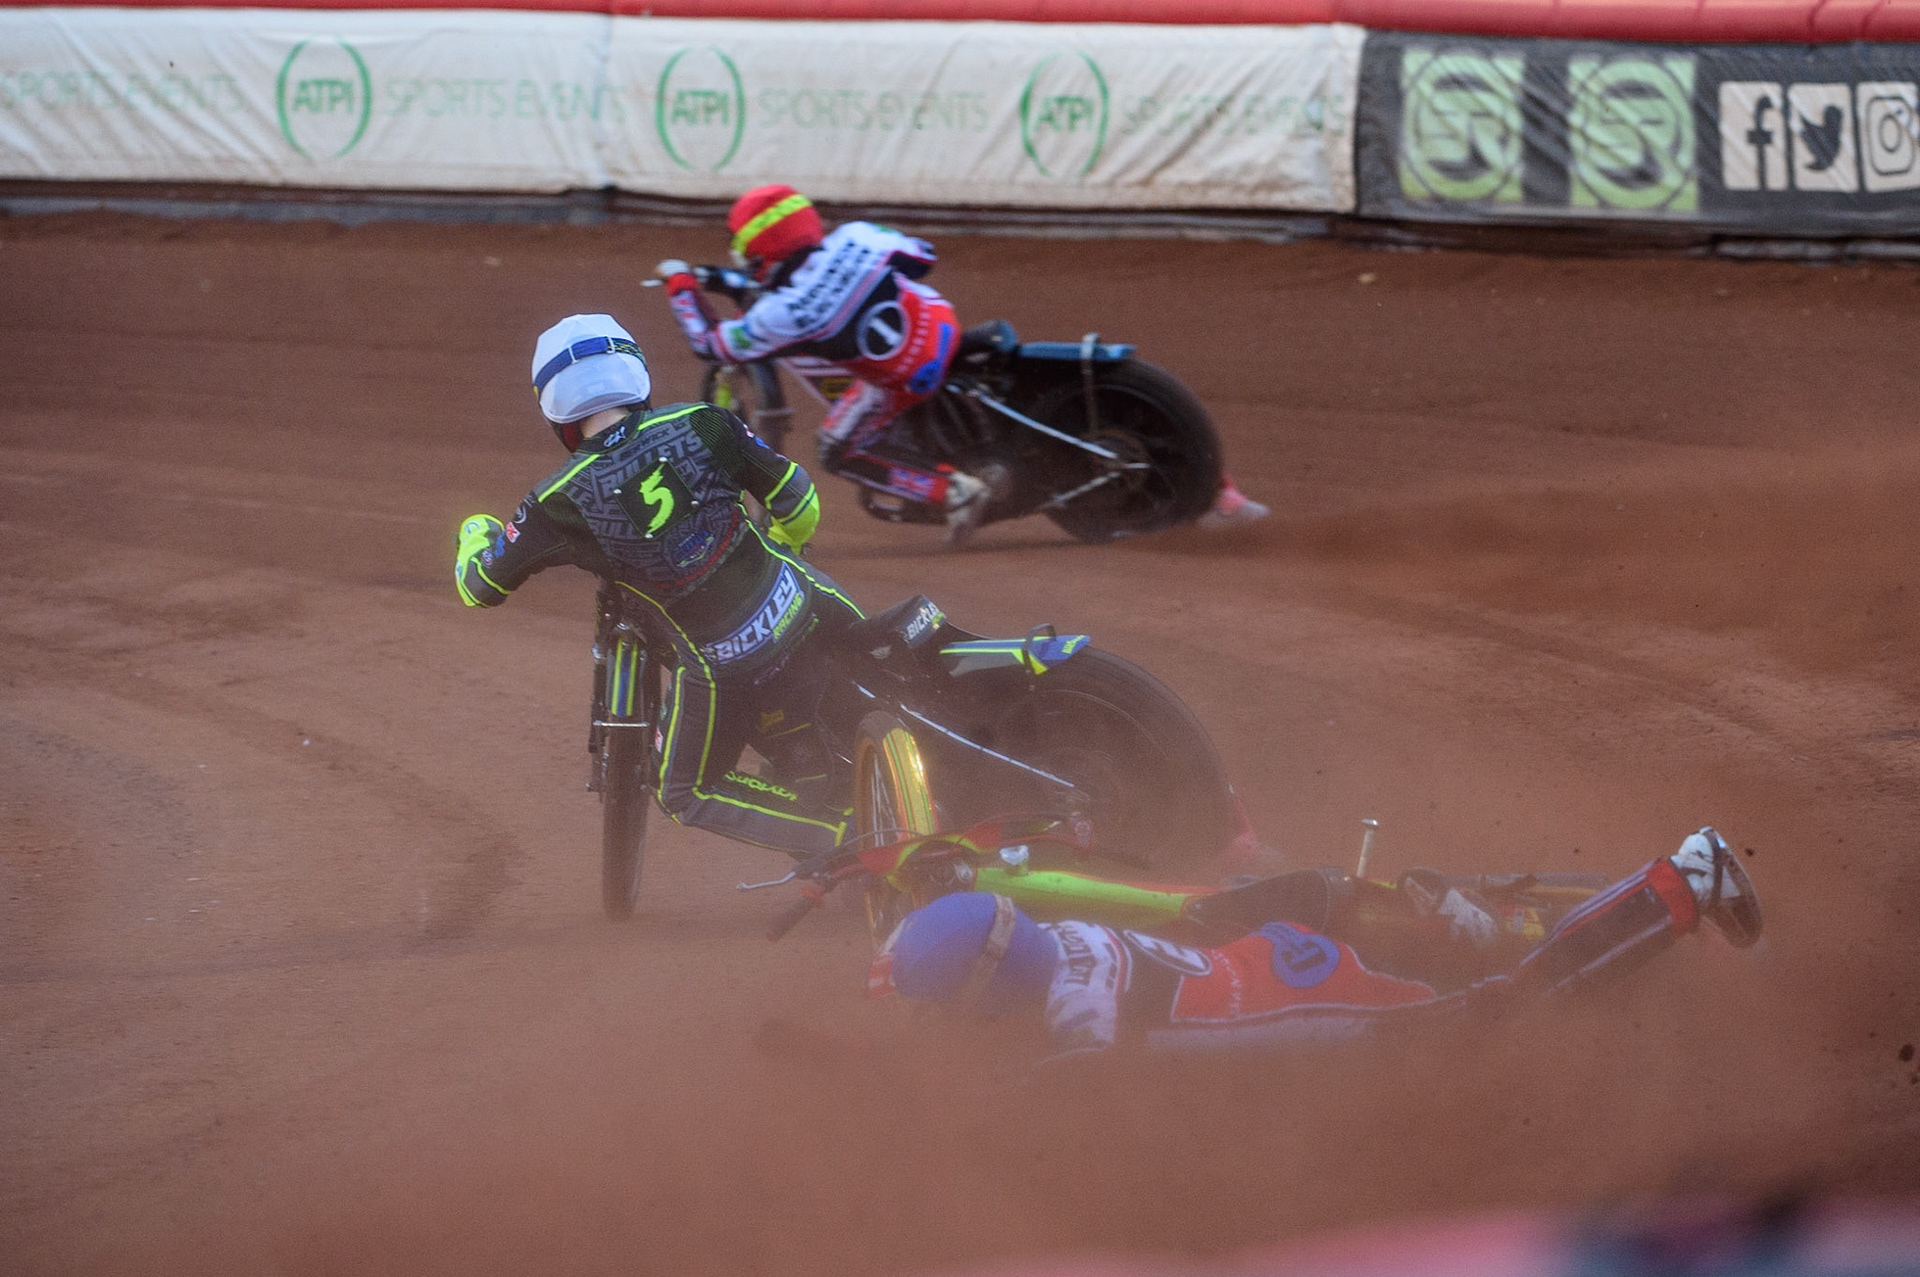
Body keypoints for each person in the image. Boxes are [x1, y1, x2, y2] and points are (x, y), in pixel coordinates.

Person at [454, 313, 861, 858]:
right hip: (808, 600)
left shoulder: (557, 501)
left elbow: (479, 587)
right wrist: (787, 548)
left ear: (557, 414)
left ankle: (841, 838)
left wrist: (474, 532)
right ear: (636, 375)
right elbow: (799, 501)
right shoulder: (703, 421)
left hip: (723, 662)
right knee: (885, 662)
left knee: (684, 792)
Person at [868, 827, 1763, 1054]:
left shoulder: (1077, 1006)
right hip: (1279, 955)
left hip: (1317, 998)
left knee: (1505, 1009)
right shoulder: (1056, 938)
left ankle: (1682, 882)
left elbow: (1059, 1093)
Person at [654, 185, 997, 543]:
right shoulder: (858, 235)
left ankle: (954, 491)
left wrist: (680, 286)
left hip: (905, 381)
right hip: (943, 325)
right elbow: (923, 258)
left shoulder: (785, 313)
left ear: (761, 250)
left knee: (834, 449)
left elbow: (711, 345)